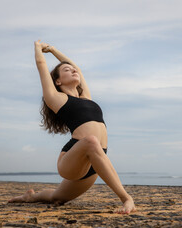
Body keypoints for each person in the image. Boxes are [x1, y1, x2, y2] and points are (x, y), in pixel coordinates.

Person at [8, 40, 136, 214]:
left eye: (72, 69)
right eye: (66, 70)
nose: (73, 70)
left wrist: (54, 50)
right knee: (90, 141)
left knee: (57, 197)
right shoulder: (56, 98)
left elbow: (78, 69)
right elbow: (41, 65)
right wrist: (38, 47)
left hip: (94, 161)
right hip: (72, 158)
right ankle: (127, 199)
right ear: (58, 82)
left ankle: (30, 197)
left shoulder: (86, 98)